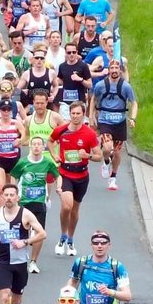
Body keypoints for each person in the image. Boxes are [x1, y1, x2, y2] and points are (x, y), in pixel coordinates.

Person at [50, 102, 103, 254]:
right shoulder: (62, 130)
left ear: (83, 114)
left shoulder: (89, 134)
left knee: (74, 210)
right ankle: (62, 236)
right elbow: (50, 140)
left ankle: (71, 239)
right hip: (65, 173)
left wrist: (88, 156)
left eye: (78, 113)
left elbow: (99, 156)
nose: (75, 116)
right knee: (66, 206)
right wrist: (54, 155)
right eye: (73, 113)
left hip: (82, 175)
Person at [10, 134, 60, 272]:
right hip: (23, 201)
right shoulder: (23, 162)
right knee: (20, 231)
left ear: (43, 147)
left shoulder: (48, 162)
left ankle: (33, 262)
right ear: (30, 146)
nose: (37, 146)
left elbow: (57, 175)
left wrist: (59, 187)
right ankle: (18, 259)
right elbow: (14, 176)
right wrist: (14, 193)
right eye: (34, 144)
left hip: (39, 201)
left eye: (39, 144)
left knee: (39, 231)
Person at [89, 59, 135, 191]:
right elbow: (93, 99)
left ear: (120, 70)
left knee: (117, 152)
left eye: (116, 68)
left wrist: (133, 118)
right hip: (105, 120)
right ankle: (106, 161)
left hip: (120, 121)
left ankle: (113, 178)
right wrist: (91, 116)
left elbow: (134, 102)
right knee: (107, 147)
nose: (114, 71)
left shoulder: (125, 86)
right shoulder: (101, 85)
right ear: (108, 70)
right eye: (112, 68)